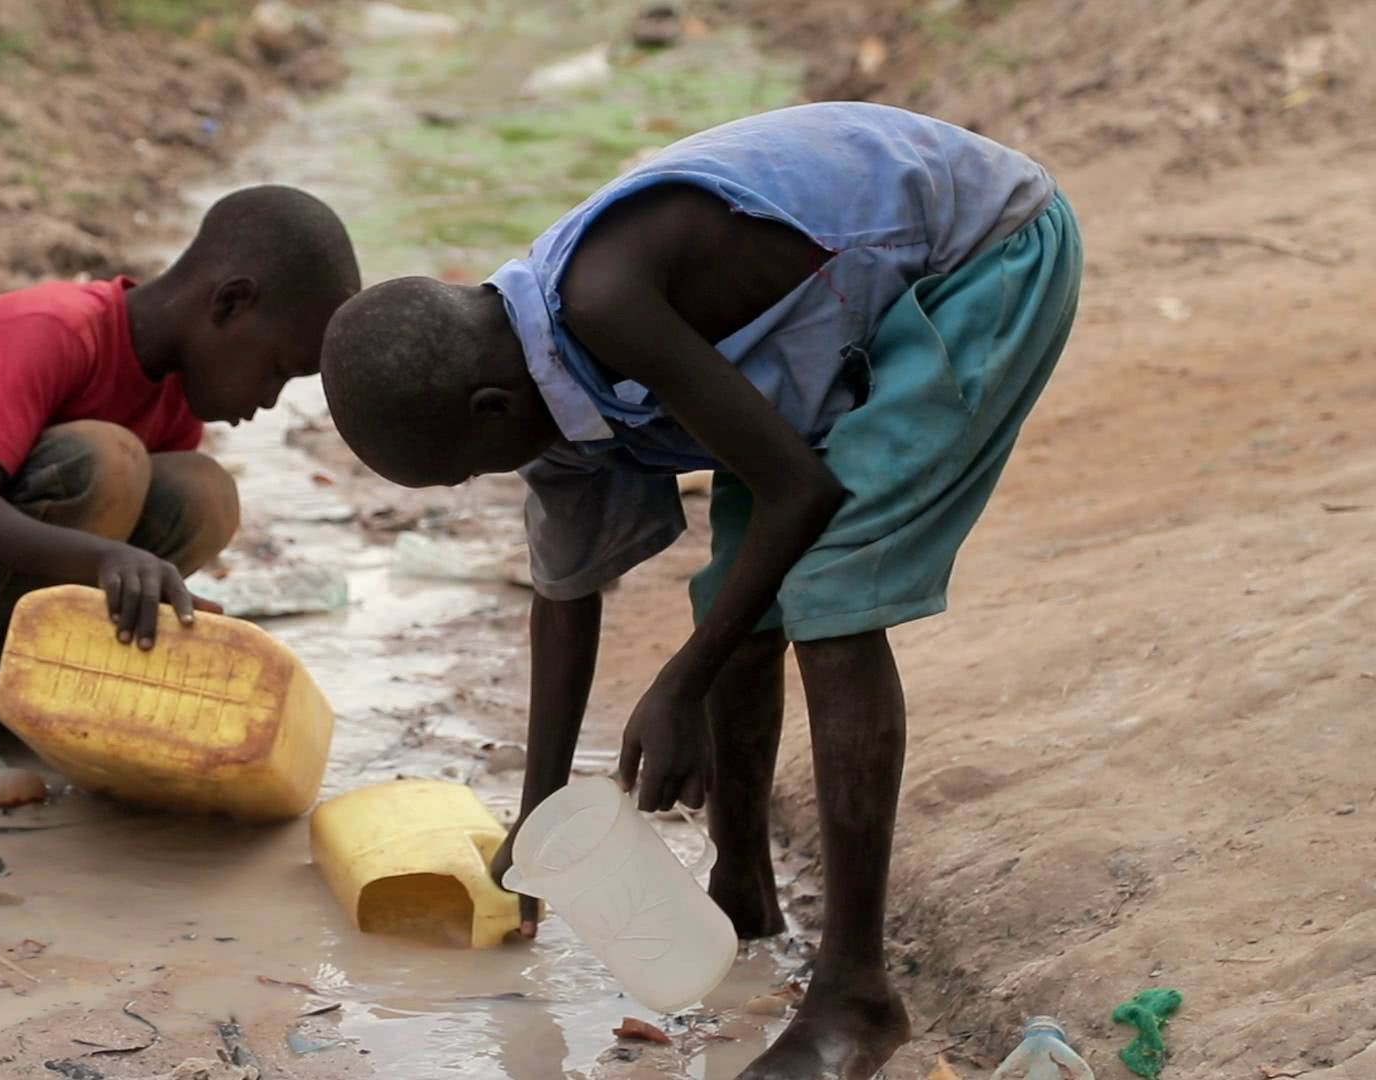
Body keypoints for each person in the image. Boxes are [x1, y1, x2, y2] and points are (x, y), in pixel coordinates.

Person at [319, 103, 1080, 1080]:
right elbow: (566, 586)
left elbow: (800, 492)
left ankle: (856, 995)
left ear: (490, 411)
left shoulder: (602, 304)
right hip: (831, 334)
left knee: (829, 592)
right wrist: (537, 817)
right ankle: (743, 885)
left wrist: (680, 685)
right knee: (736, 592)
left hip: (979, 259)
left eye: (467, 470)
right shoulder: (523, 369)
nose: (488, 481)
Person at [0, 185, 360, 730]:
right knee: (101, 459)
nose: (269, 399)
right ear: (230, 304)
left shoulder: (174, 406)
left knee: (202, 493)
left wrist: (158, 602)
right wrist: (105, 559)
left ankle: (10, 694)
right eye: (277, 369)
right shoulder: (52, 330)